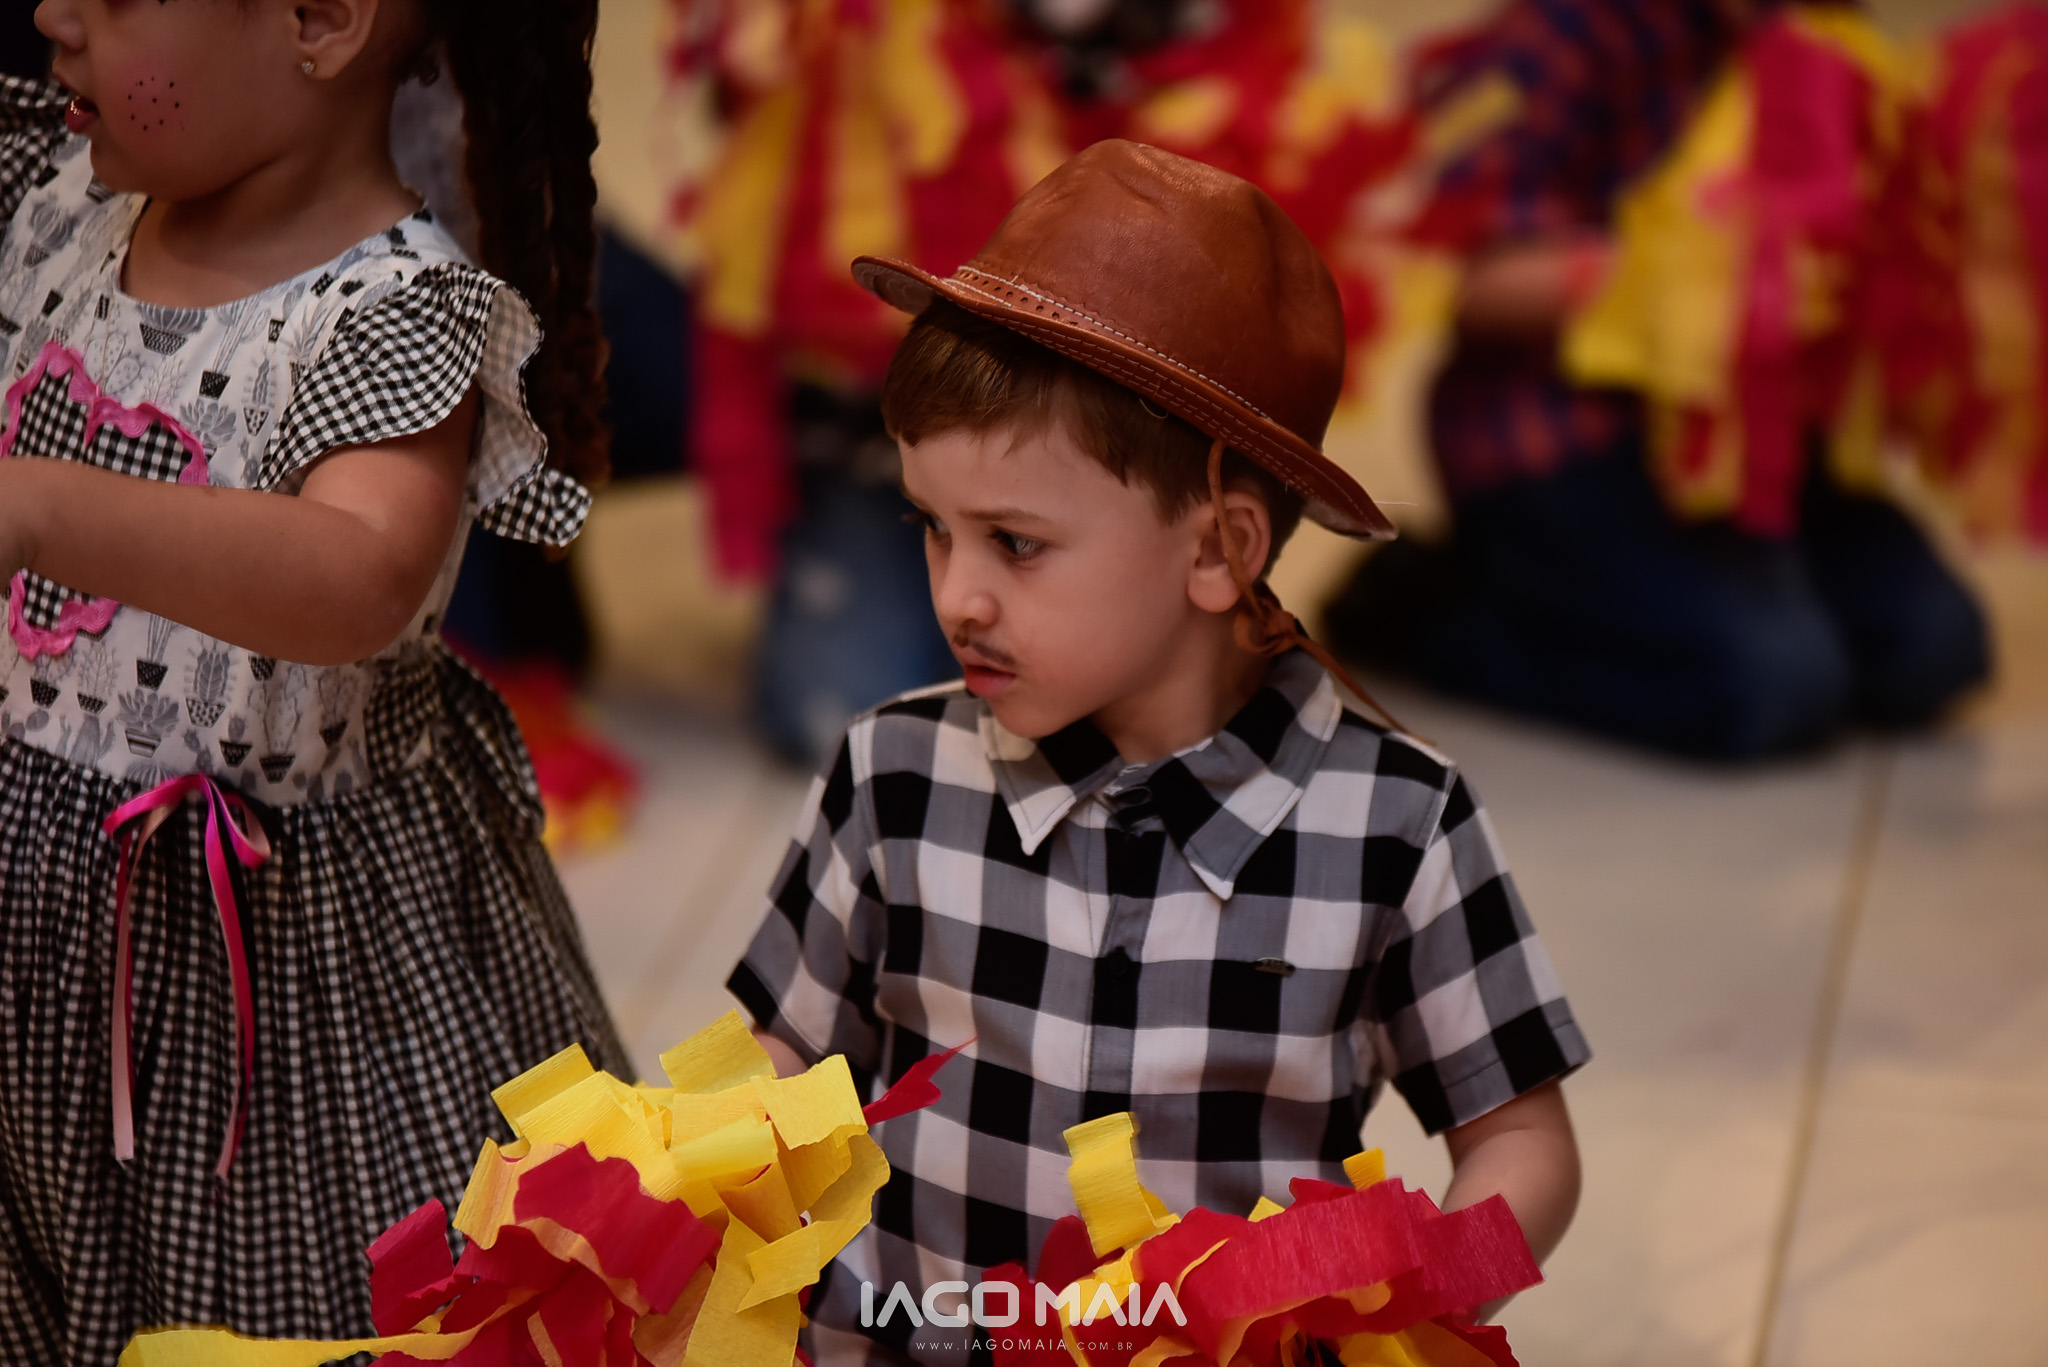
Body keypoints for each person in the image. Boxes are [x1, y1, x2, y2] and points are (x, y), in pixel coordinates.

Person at [728, 140, 1588, 1366]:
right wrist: (701, 1183)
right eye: (933, 527)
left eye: (1015, 543)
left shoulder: (1392, 824)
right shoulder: (894, 776)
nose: (958, 594)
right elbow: (780, 1054)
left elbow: (1520, 1138)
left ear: (1219, 549)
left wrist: (1408, 1308)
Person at [0, 2, 628, 1362]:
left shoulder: (390, 308)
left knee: (276, 1315)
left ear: (321, 19)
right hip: (33, 902)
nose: (52, 14)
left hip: (278, 974)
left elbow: (355, 578)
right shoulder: (52, 200)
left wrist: (45, 509)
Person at [1323, 0, 1991, 760]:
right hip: (1566, 439)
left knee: (1933, 648)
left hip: (1753, 444)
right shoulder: (1565, 37)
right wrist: (1656, 276)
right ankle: (1427, 606)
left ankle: (1683, 603)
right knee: (1766, 686)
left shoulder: (1818, 32)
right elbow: (1464, 282)